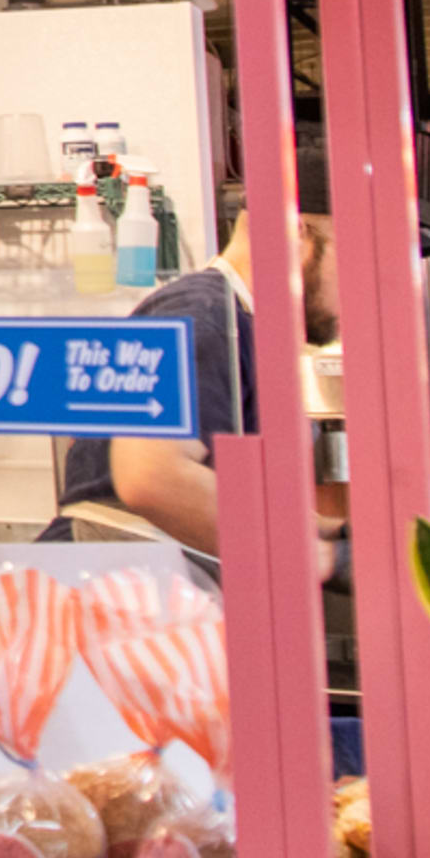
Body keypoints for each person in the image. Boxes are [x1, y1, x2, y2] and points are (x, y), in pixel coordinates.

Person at [49, 197, 341, 581]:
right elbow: (150, 476)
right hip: (110, 595)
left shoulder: (240, 325)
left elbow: (223, 486)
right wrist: (319, 557)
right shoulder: (201, 314)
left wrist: (333, 533)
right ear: (295, 229)